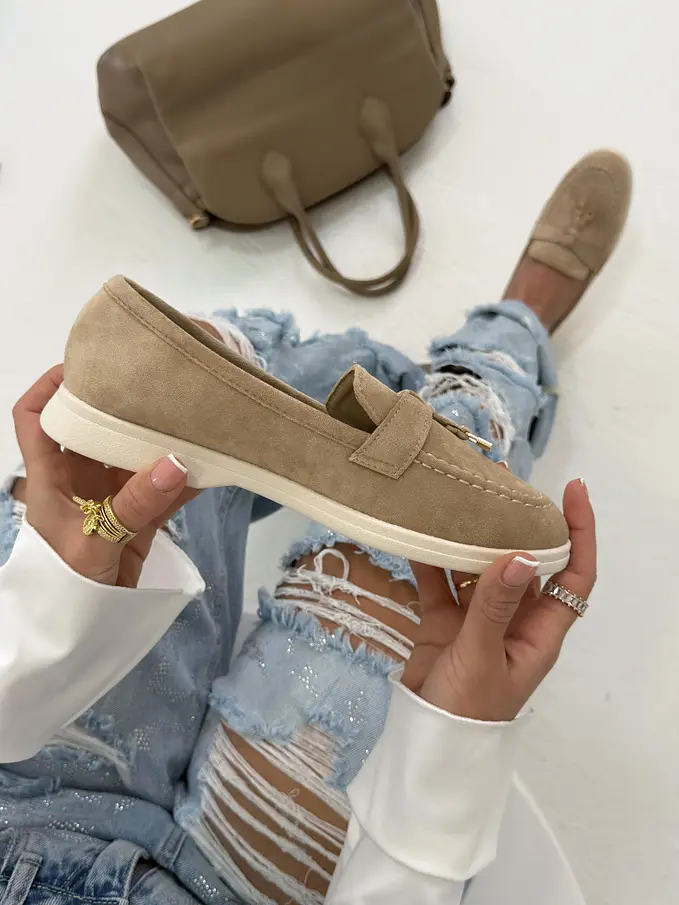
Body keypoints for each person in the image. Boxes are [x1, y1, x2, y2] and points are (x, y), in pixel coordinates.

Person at [0, 150, 629, 905]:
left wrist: (49, 609)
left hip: (15, 775)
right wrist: (447, 758)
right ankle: (498, 345)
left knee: (151, 412)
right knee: (414, 556)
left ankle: (352, 398)